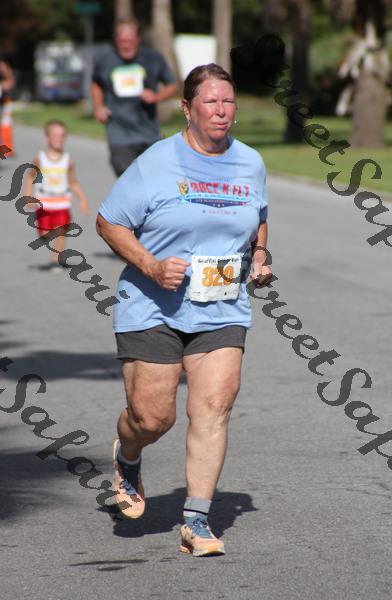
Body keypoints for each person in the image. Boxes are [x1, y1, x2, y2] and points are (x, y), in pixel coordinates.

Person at [96, 63, 272, 557]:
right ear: (187, 108)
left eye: (228, 101)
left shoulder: (250, 162)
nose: (221, 111)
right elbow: (109, 222)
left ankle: (196, 520)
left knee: (213, 408)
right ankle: (129, 452)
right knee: (153, 418)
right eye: (210, 102)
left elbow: (258, 217)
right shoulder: (157, 161)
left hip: (222, 306)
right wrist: (151, 266)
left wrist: (260, 257)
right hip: (153, 305)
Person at [91, 17, 178, 177]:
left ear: (138, 39)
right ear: (116, 40)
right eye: (122, 41)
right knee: (127, 178)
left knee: (153, 179)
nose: (126, 45)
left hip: (149, 133)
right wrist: (98, 107)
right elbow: (96, 83)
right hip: (119, 134)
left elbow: (172, 84)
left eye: (130, 40)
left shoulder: (152, 58)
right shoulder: (105, 59)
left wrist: (156, 97)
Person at [24, 119, 89, 272]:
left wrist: (82, 199)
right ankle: (46, 237)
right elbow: (30, 176)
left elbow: (73, 182)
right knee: (45, 234)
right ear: (47, 138)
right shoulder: (40, 158)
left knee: (61, 231)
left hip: (62, 202)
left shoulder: (68, 160)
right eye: (55, 135)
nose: (59, 138)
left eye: (62, 135)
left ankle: (56, 260)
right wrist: (28, 196)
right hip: (44, 203)